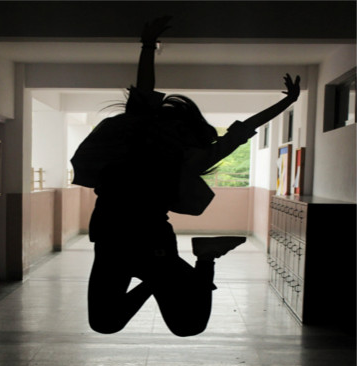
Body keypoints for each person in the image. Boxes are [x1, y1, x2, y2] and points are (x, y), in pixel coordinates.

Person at [71, 17, 300, 337]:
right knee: (104, 321)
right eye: (168, 124)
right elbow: (144, 90)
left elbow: (242, 132)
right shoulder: (133, 135)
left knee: (187, 325)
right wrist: (148, 45)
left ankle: (205, 258)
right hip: (110, 242)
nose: (171, 132)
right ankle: (164, 276)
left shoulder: (185, 160)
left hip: (151, 243)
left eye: (180, 129)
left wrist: (287, 103)